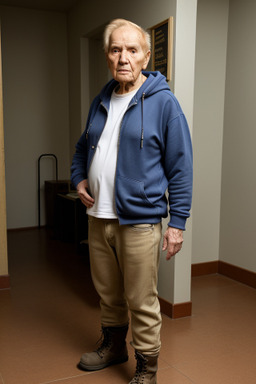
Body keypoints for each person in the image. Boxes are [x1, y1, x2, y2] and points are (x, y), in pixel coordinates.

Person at [71, 18, 192, 384]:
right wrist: (78, 180)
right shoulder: (102, 99)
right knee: (108, 293)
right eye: (115, 49)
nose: (123, 57)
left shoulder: (164, 103)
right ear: (108, 56)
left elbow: (181, 166)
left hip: (140, 221)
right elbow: (82, 148)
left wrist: (177, 224)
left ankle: (147, 368)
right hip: (98, 216)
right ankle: (114, 347)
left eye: (132, 50)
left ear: (145, 56)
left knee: (141, 300)